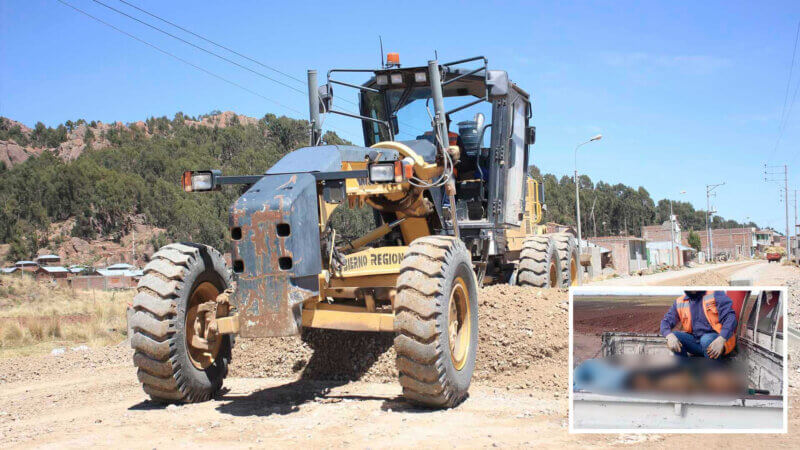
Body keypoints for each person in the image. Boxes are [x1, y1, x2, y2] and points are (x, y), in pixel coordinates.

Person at [660, 290, 737, 359]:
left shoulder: (715, 293)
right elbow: (666, 321)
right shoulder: (679, 302)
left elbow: (730, 317)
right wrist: (669, 336)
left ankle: (715, 369)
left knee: (706, 339)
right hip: (696, 343)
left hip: (718, 342)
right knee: (675, 336)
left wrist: (722, 339)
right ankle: (683, 368)